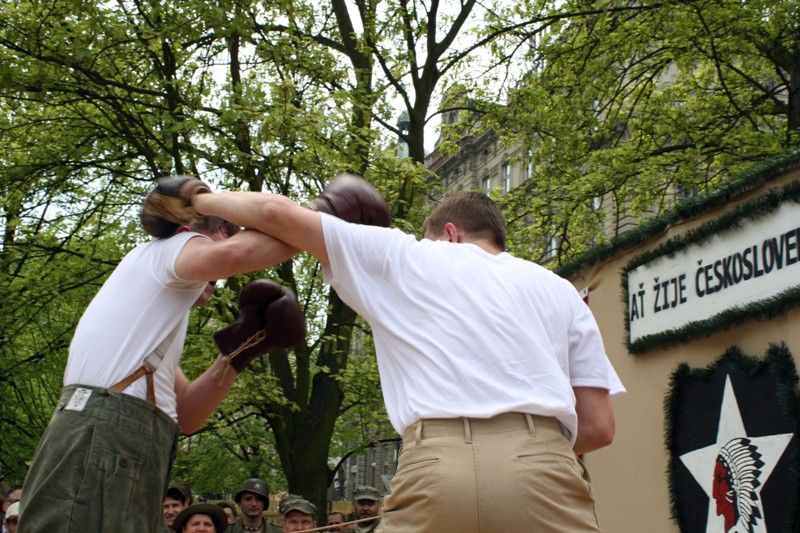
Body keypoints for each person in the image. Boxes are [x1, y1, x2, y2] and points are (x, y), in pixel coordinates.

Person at [190, 183, 625, 532]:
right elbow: (599, 427)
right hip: (542, 467)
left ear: (449, 234)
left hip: (435, 466)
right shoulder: (560, 291)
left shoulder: (409, 255)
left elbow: (274, 214)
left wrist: (194, 198)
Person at [18, 176, 307, 533]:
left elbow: (186, 413)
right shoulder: (166, 250)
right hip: (105, 436)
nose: (218, 280)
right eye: (222, 235)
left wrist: (243, 350)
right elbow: (239, 251)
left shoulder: (155, 317)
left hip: (121, 439)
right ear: (187, 229)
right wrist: (317, 222)